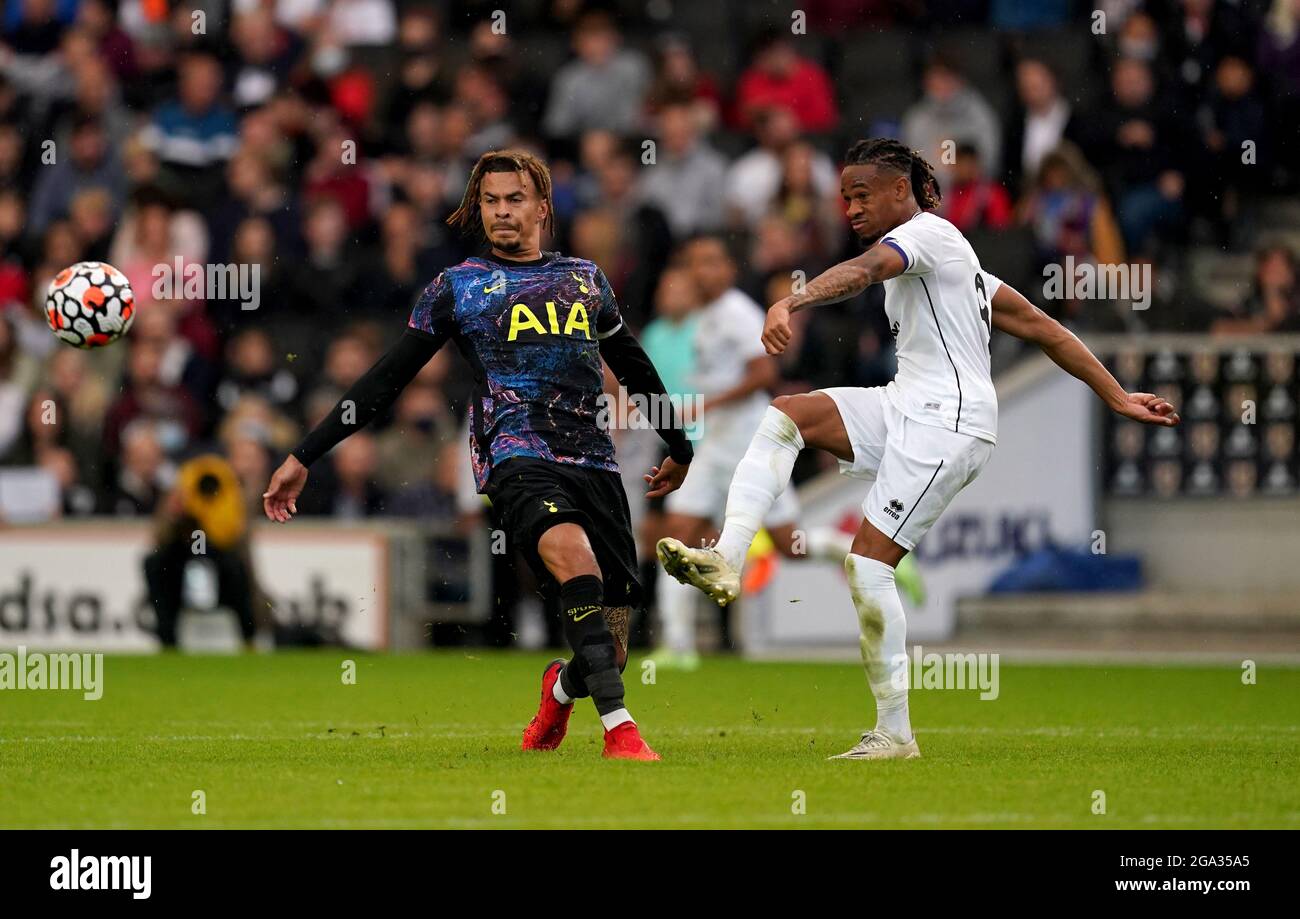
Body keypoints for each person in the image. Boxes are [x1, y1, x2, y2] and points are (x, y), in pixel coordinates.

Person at [657, 138, 1180, 761]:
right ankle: (730, 558)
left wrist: (791, 299)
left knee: (868, 566)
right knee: (786, 417)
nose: (850, 208)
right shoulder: (959, 263)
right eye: (845, 197)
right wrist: (1116, 393)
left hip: (949, 425)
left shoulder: (929, 235)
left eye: (861, 195)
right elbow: (1042, 325)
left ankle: (895, 733)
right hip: (906, 404)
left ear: (900, 191)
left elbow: (866, 270)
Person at [262, 149, 693, 761]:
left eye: (514, 200)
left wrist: (680, 444)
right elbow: (386, 379)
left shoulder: (585, 279)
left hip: (595, 460)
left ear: (542, 207)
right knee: (576, 562)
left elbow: (632, 366)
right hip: (515, 453)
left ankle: (562, 690)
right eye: (490, 202)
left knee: (612, 645)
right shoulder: (457, 287)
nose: (501, 213)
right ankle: (621, 732)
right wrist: (306, 454)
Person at [651, 234, 853, 669]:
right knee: (677, 531)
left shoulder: (740, 314)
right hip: (712, 445)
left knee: (788, 545)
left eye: (710, 261)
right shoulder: (704, 316)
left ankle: (858, 551)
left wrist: (709, 402)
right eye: (694, 263)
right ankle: (680, 645)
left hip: (750, 444)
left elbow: (765, 374)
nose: (701, 271)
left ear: (728, 270)